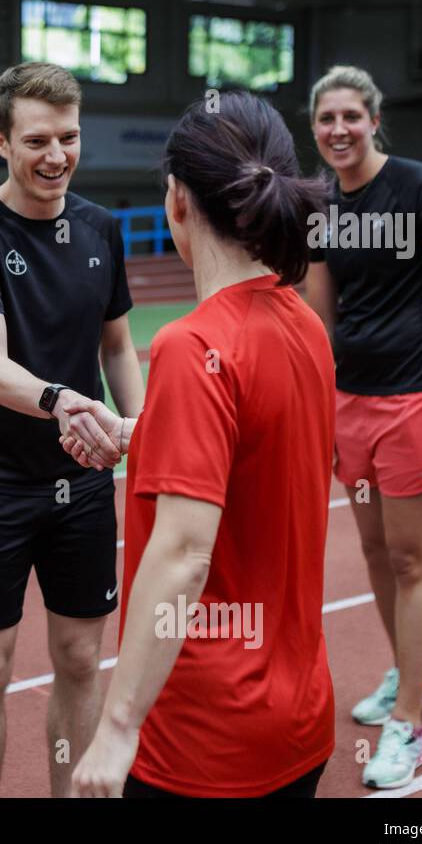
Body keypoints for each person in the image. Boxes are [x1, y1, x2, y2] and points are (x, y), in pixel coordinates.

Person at [67, 91, 336, 798]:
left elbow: (185, 554)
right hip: (300, 716)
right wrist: (145, 432)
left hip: (203, 736)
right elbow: (259, 445)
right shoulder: (305, 324)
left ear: (177, 200)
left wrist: (119, 723)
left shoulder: (190, 346)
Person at [0, 62, 144, 798]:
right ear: (0, 140)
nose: (55, 155)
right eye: (36, 141)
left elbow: (117, 346)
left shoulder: (100, 227)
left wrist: (133, 425)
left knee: (82, 660)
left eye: (68, 137)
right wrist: (65, 402)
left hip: (84, 481)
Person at [304, 65, 422, 789]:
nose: (339, 130)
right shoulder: (321, 202)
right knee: (377, 552)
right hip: (352, 401)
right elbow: (319, 315)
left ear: (374, 119)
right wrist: (318, 408)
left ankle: (406, 723)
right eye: (327, 119)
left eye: (352, 116)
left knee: (414, 559)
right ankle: (416, 671)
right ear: (314, 128)